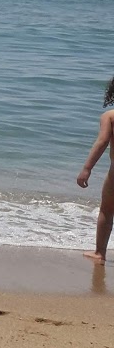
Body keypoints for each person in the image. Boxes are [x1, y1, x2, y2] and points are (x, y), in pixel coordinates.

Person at [76, 76, 114, 264]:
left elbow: (101, 143)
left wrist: (87, 169)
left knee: (107, 210)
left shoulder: (110, 116)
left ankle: (100, 253)